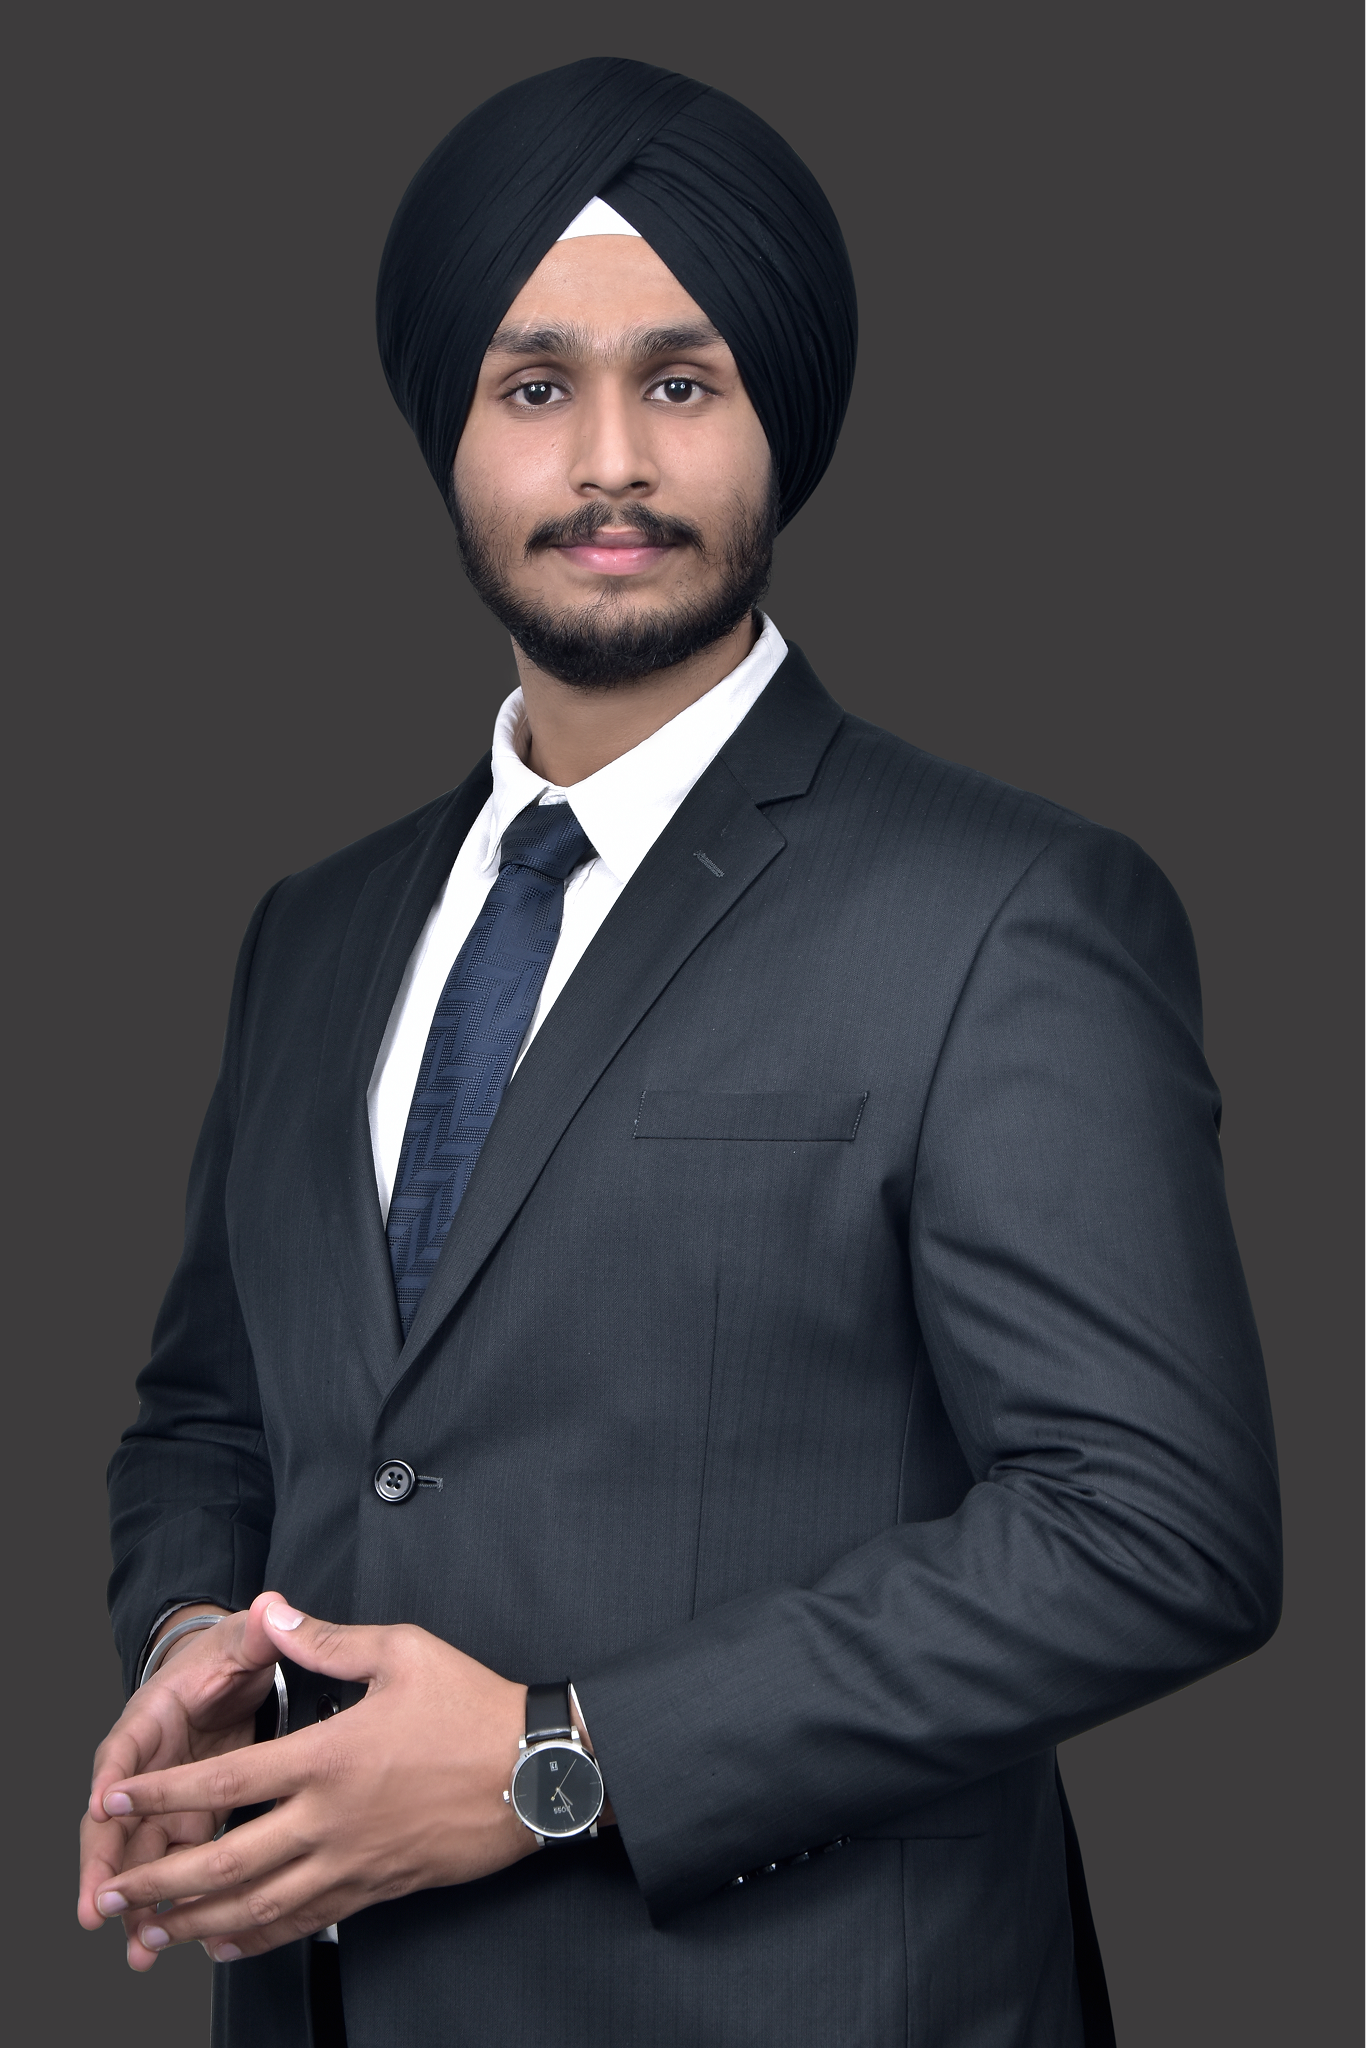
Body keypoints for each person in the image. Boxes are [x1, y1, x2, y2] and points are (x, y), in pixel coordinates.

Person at [76, 55, 1281, 2048]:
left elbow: (1151, 1529)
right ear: (449, 428)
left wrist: (558, 1759)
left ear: (775, 417)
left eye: (684, 380)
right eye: (533, 387)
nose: (611, 460)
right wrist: (196, 1638)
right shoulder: (315, 932)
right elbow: (213, 1418)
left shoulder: (1003, 907)